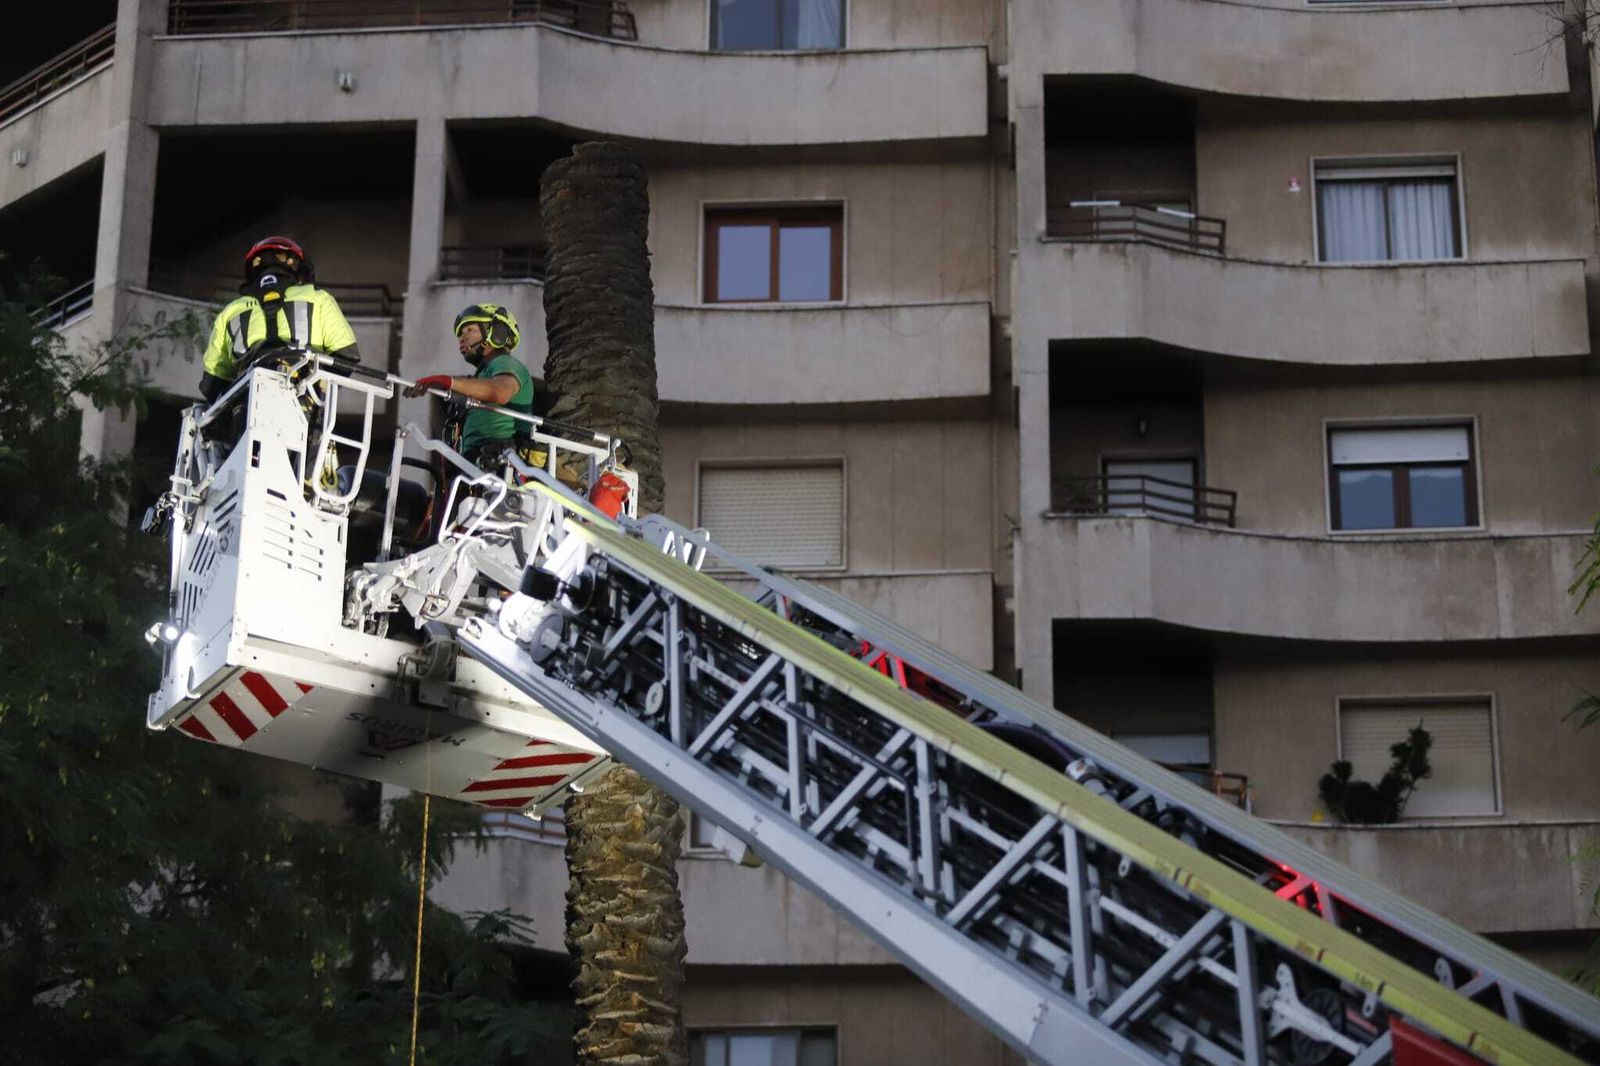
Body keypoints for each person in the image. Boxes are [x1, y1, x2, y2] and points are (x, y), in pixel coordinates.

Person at [199, 235, 360, 401]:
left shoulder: (230, 311)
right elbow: (346, 354)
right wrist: (317, 388)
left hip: (246, 409)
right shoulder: (318, 298)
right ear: (297, 267)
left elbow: (212, 382)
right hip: (302, 405)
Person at [405, 303, 534, 468]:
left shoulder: (506, 363)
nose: (462, 338)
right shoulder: (483, 374)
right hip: (479, 460)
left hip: (502, 461)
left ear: (497, 333)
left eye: (470, 330)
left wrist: (446, 381)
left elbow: (500, 392)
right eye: (460, 334)